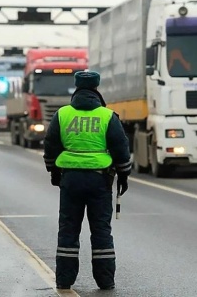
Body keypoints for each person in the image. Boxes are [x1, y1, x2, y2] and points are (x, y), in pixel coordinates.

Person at [43, 71, 131, 290]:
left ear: (76, 87)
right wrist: (123, 175)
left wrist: (54, 172)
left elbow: (50, 145)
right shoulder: (107, 116)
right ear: (96, 88)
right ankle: (105, 281)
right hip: (99, 181)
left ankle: (64, 280)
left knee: (68, 230)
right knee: (101, 230)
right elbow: (121, 148)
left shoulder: (62, 114)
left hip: (70, 180)